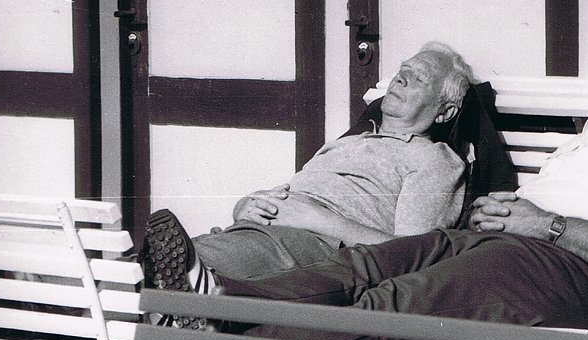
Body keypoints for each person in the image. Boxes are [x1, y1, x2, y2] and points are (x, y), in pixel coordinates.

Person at [145, 9, 588, 340]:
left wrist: (547, 226)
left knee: (400, 300)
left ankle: (218, 336)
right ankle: (216, 308)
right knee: (361, 269)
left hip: (569, 278)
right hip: (495, 246)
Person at [138, 41, 473, 320]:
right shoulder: (347, 143)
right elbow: (297, 194)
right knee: (169, 262)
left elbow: (413, 257)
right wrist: (247, 205)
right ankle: (176, 306)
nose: (401, 78)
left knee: (173, 266)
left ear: (444, 112)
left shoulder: (435, 159)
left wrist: (317, 219)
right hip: (255, 233)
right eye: (403, 70)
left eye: (418, 79)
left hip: (318, 248)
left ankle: (179, 302)